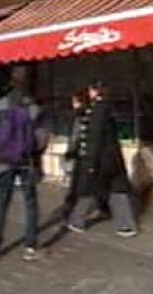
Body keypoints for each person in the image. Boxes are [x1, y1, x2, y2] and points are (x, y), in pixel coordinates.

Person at [0, 66, 46, 262]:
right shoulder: (33, 106)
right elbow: (41, 137)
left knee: (1, 203)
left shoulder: (0, 104)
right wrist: (36, 154)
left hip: (4, 161)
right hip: (26, 161)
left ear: (11, 82)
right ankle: (30, 247)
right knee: (30, 203)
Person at [67, 80, 138, 238]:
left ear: (96, 92)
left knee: (89, 189)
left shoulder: (98, 110)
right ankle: (125, 225)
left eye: (91, 90)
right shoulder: (108, 108)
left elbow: (95, 138)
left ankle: (77, 220)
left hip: (100, 159)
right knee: (117, 190)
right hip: (112, 158)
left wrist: (91, 162)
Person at [63, 91, 88, 219]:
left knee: (74, 184)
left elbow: (75, 135)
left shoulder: (77, 115)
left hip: (77, 153)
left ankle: (69, 210)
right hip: (85, 152)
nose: (72, 104)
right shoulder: (89, 113)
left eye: (74, 101)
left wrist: (69, 151)